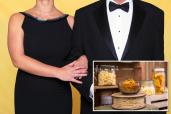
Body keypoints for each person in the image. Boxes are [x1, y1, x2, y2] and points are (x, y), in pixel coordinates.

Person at [71, 0, 164, 114]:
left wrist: (159, 107)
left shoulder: (155, 14)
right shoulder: (84, 15)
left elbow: (158, 65)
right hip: (95, 108)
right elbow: (73, 60)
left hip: (141, 108)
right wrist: (93, 90)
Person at [7, 0, 88, 114]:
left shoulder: (71, 21)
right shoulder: (17, 19)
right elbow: (17, 59)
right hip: (28, 93)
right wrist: (58, 72)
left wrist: (83, 58)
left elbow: (83, 51)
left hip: (60, 93)